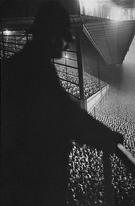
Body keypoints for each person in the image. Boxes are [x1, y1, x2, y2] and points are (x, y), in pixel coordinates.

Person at [0, 2, 123, 205]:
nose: (67, 43)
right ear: (53, 36)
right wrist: (104, 136)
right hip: (33, 185)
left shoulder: (27, 64)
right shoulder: (34, 69)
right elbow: (65, 115)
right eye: (65, 37)